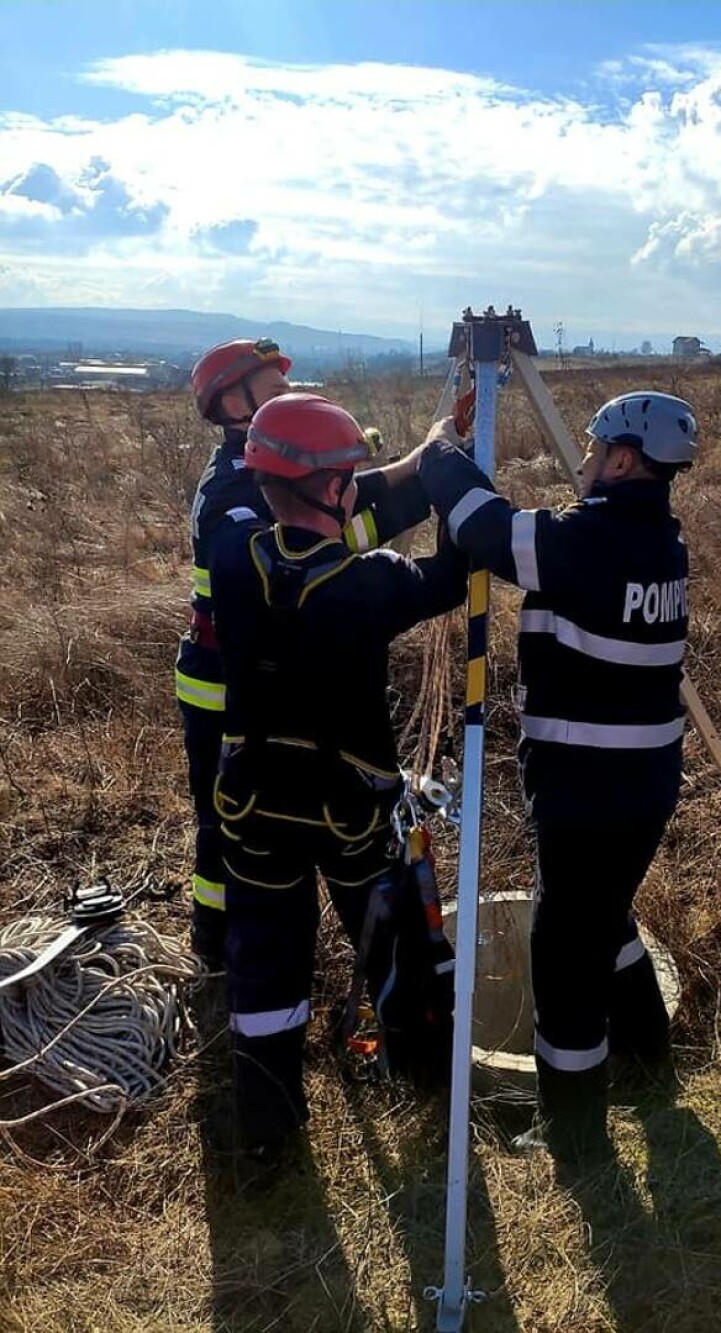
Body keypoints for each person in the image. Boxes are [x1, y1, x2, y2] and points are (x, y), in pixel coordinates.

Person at [418, 390, 696, 1166]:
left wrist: (442, 449)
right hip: (639, 781)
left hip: (588, 785)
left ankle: (574, 1132)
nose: (582, 458)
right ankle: (648, 1056)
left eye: (594, 445)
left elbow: (486, 530)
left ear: (624, 459)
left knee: (564, 954)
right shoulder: (658, 541)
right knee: (604, 912)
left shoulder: (591, 541)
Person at [210, 392, 467, 1154]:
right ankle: (425, 1078)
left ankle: (269, 1131)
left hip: (252, 803)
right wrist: (450, 481)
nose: (356, 484)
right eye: (348, 475)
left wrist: (419, 458)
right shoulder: (371, 584)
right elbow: (450, 575)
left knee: (263, 962)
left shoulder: (233, 557)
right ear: (330, 489)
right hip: (348, 814)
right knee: (395, 946)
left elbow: (315, 530)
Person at [178, 339, 428, 968]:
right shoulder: (233, 492)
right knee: (224, 815)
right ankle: (217, 943)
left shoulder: (271, 472)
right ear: (232, 402)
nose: (284, 389)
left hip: (261, 675)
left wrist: (420, 468)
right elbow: (312, 550)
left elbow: (337, 514)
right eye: (269, 381)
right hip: (222, 685)